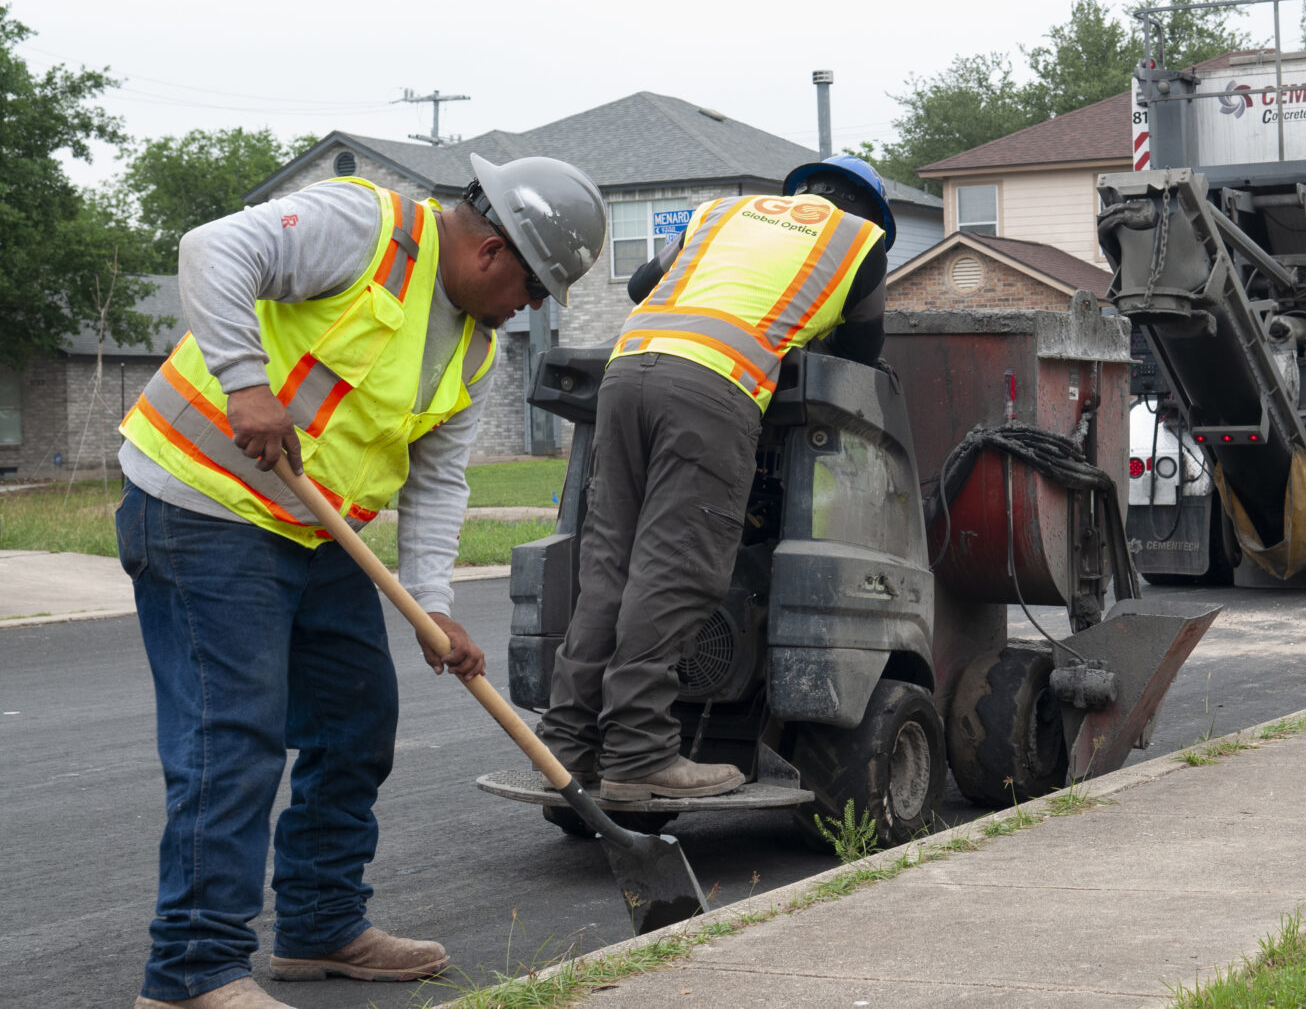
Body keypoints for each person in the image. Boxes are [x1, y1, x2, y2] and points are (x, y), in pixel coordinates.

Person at [119, 154, 608, 1009]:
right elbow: (208, 250)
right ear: (493, 251)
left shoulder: (474, 345)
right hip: (203, 507)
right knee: (233, 737)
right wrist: (244, 382)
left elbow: (437, 480)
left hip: (312, 532)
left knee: (356, 721)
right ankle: (192, 974)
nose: (531, 309)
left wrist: (433, 607)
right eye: (533, 289)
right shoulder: (363, 228)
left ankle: (318, 925)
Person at [536, 155, 894, 801]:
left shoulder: (720, 213)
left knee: (609, 562)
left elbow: (642, 285)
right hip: (712, 386)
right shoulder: (859, 242)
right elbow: (860, 356)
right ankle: (639, 753)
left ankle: (568, 746)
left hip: (629, 370)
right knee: (676, 567)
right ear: (870, 209)